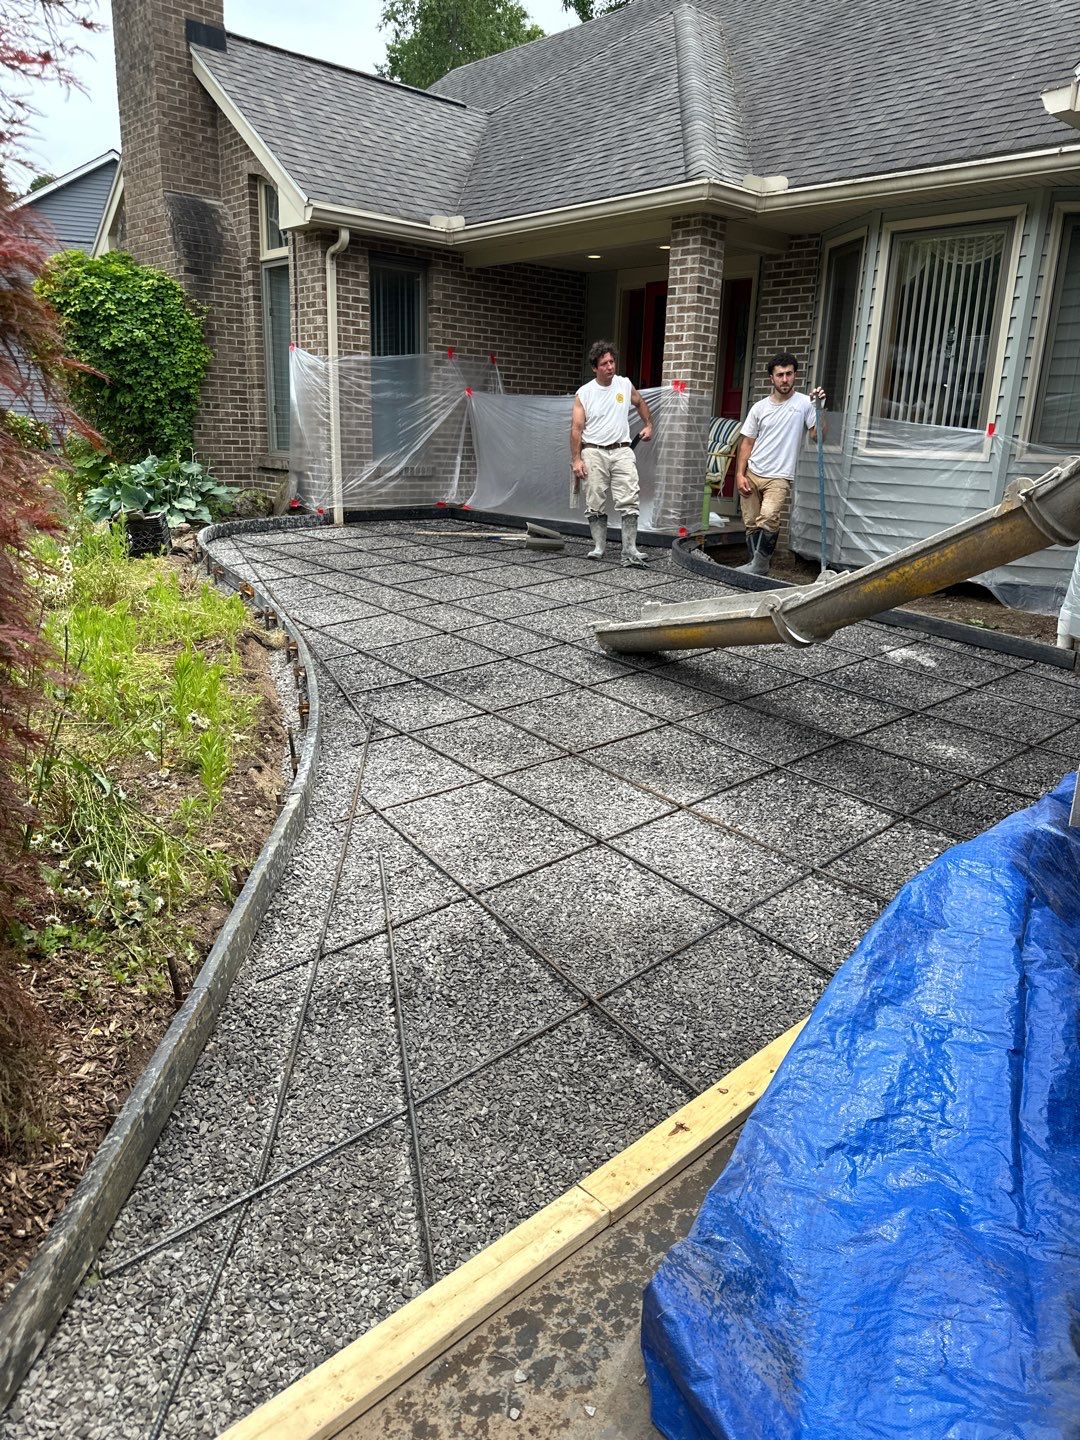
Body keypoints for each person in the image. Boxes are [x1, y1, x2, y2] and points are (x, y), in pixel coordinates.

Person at [735, 352, 825, 576]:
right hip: (753, 471)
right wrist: (739, 473)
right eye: (780, 375)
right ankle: (756, 568)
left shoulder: (805, 403)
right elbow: (747, 442)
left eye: (789, 374)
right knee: (751, 522)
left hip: (780, 476)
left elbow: (818, 436)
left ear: (795, 375)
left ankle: (759, 566)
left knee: (768, 518)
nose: (785, 379)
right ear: (771, 379)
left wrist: (819, 408)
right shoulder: (760, 408)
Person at [571, 340, 653, 566]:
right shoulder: (585, 393)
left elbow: (640, 402)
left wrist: (648, 424)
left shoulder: (624, 385)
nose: (610, 366)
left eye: (612, 361)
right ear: (595, 368)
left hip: (622, 450)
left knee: (630, 498)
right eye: (604, 363)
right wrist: (576, 459)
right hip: (594, 452)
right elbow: (576, 429)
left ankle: (630, 549)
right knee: (595, 498)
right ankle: (599, 546)